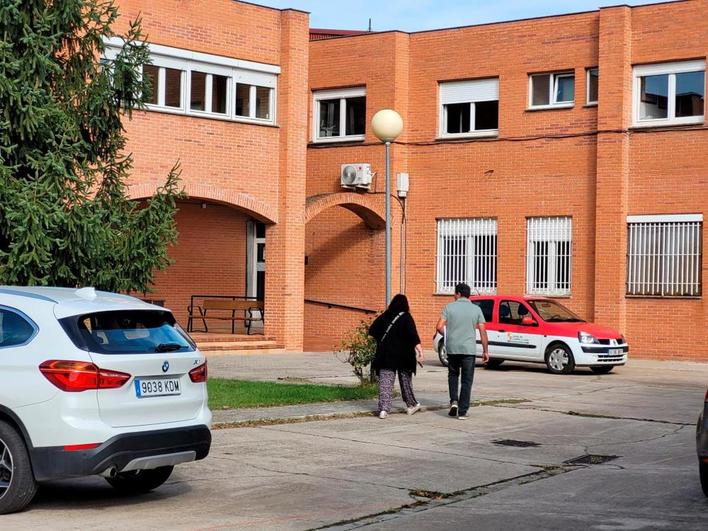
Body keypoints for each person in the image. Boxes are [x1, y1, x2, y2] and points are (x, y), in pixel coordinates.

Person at [436, 283, 489, 420]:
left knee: (453, 375)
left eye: (454, 293)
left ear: (458, 293)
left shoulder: (449, 307)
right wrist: (485, 351)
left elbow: (439, 327)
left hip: (453, 349)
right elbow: (483, 331)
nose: (454, 295)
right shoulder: (476, 309)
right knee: (467, 380)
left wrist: (449, 335)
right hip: (468, 350)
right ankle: (463, 411)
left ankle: (454, 401)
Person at [369, 294, 424, 419]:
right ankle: (411, 405)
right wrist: (420, 352)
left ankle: (383, 409)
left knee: (385, 383)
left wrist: (382, 341)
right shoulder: (407, 317)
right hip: (404, 356)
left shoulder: (385, 316)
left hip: (386, 355)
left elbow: (372, 330)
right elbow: (413, 336)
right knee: (405, 382)